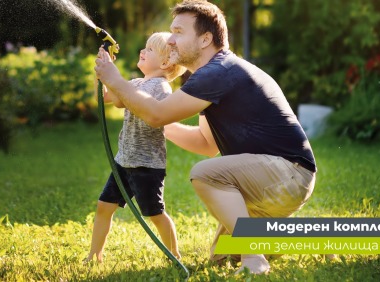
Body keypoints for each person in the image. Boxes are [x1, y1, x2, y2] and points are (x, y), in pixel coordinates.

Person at [94, 0, 317, 275]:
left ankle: (254, 259)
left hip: (287, 174)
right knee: (222, 258)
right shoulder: (209, 76)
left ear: (205, 39)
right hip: (275, 179)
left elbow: (156, 114)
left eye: (178, 32)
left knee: (204, 174)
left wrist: (115, 81)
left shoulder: (217, 72)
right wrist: (154, 121)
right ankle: (323, 238)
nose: (171, 41)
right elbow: (206, 144)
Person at [85, 32, 187, 263]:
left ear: (164, 63)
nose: (143, 51)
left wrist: (116, 80)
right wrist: (102, 73)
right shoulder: (134, 83)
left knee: (155, 213)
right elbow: (109, 97)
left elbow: (142, 106)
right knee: (104, 206)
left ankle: (174, 255)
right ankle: (94, 254)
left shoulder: (161, 88)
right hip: (124, 160)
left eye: (149, 50)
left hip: (147, 165)